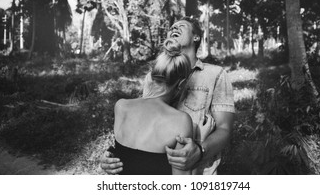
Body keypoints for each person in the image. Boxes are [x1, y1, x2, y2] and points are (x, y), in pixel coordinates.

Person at [101, 17, 235, 175]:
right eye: (171, 28)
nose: (174, 28)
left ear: (196, 37)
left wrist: (200, 150)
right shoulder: (152, 76)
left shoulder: (216, 74)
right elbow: (141, 127)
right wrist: (114, 156)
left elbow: (225, 129)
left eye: (181, 26)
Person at [112, 38, 193, 175]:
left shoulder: (121, 106)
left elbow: (121, 158)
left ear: (151, 75)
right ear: (181, 84)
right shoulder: (181, 121)